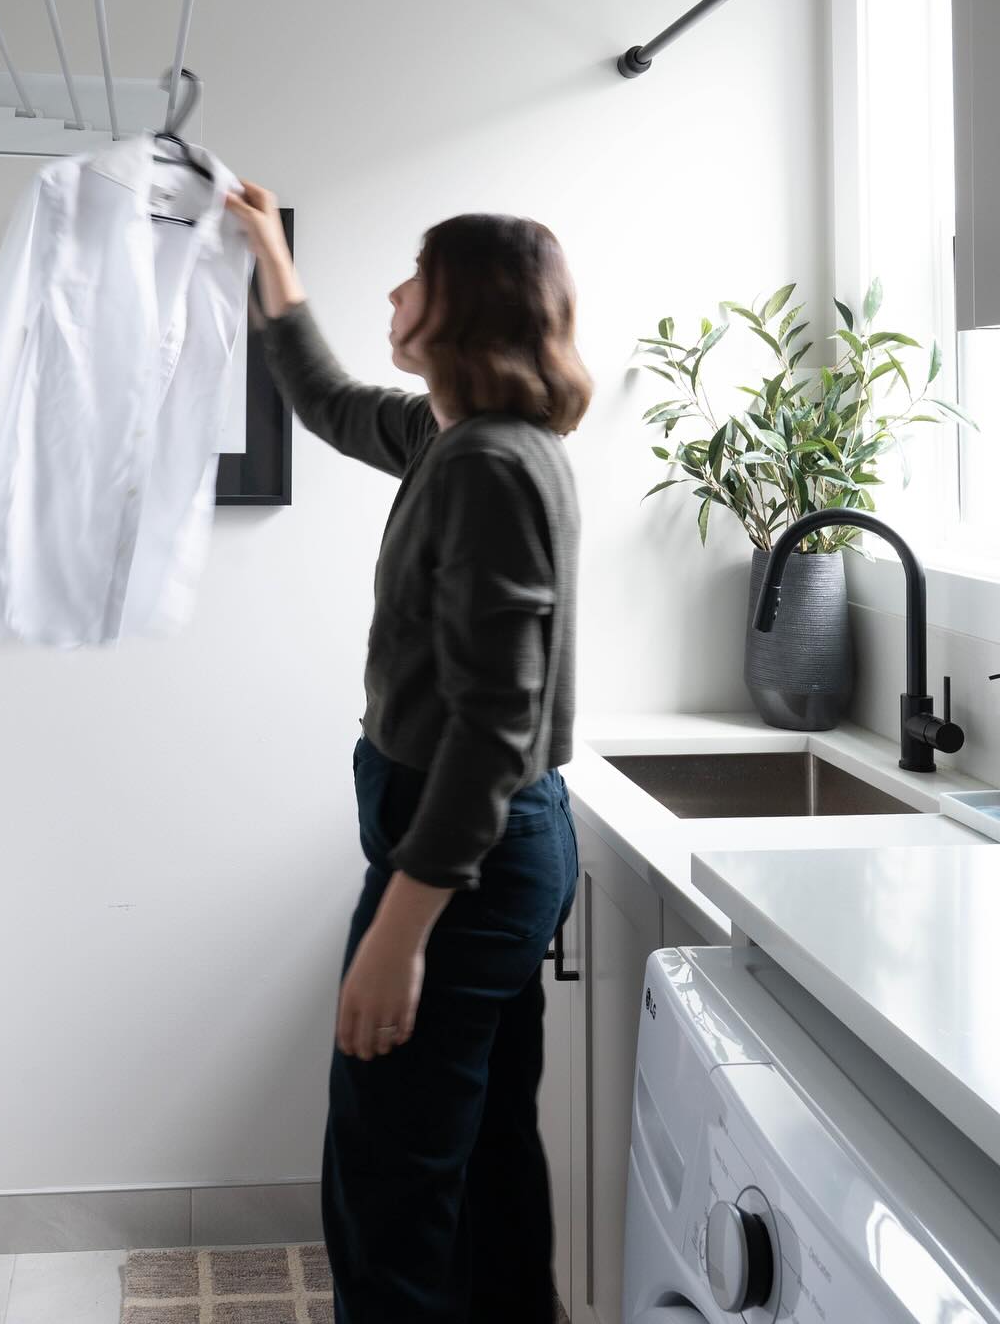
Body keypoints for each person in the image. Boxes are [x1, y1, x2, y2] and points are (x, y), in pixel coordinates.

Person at [223, 183, 591, 1324]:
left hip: (461, 861)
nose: (392, 291)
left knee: (392, 1197)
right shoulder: (458, 436)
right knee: (479, 1179)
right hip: (482, 853)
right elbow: (331, 403)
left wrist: (397, 930)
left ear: (466, 304)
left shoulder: (488, 463)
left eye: (414, 275)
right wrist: (269, 262)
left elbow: (491, 727)